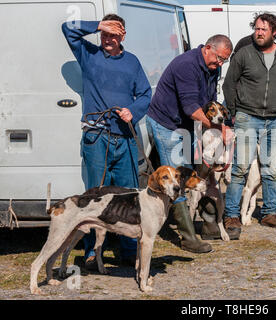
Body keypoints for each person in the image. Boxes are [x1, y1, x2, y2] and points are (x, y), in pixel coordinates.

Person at [62, 14, 152, 268]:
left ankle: (130, 249)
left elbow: (146, 94)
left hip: (124, 138)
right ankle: (92, 251)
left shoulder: (132, 62)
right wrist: (98, 25)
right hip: (96, 136)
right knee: (94, 196)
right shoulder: (88, 54)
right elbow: (67, 28)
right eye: (105, 34)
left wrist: (133, 110)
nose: (108, 39)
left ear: (123, 35)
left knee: (127, 194)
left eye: (114, 34)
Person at [146, 34, 233, 253]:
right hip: (167, 124)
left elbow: (209, 101)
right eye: (219, 58)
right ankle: (187, 237)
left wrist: (223, 124)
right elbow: (190, 107)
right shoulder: (186, 65)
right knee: (178, 177)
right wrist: (218, 129)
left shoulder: (213, 67)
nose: (220, 64)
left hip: (187, 126)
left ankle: (210, 225)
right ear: (207, 48)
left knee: (198, 173)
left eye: (224, 60)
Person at [222, 13, 276, 239]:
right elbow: (229, 85)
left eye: (263, 29)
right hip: (247, 117)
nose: (259, 32)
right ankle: (232, 216)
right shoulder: (244, 55)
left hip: (274, 119)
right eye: (256, 28)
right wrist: (236, 112)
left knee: (271, 169)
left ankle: (269, 213)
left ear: (274, 32)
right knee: (240, 169)